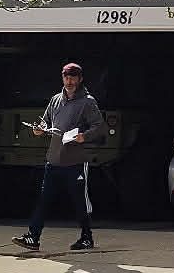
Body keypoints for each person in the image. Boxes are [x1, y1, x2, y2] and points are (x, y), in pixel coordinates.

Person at [13, 62, 105, 252]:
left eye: (73, 77)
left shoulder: (88, 102)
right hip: (53, 160)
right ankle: (33, 237)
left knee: (80, 201)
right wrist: (39, 130)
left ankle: (87, 238)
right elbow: (45, 122)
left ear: (80, 79)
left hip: (76, 162)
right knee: (44, 199)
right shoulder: (55, 99)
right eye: (66, 77)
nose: (69, 81)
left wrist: (84, 136)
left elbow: (99, 127)